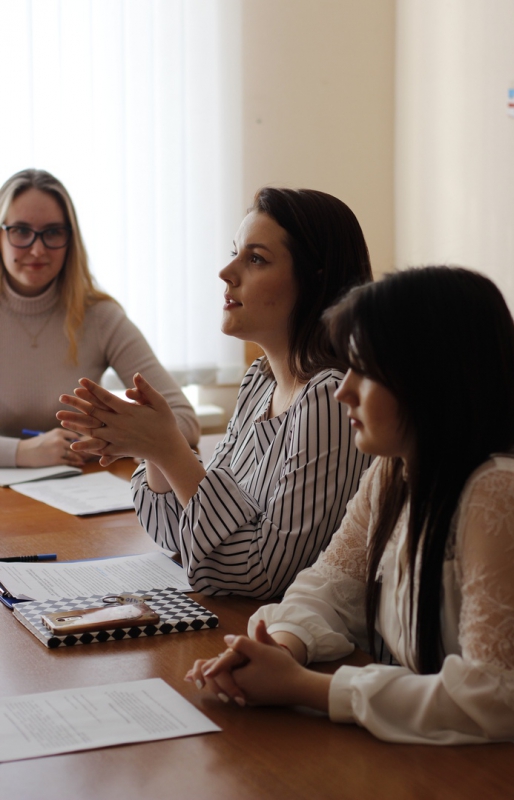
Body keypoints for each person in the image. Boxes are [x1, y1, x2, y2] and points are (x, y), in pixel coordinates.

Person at [186, 266, 514, 748]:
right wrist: (279, 648)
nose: (342, 389)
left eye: (364, 371)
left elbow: (500, 699)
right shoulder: (394, 471)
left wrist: (306, 687)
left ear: (429, 378)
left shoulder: (500, 490)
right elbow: (329, 587)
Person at [56, 188, 374, 597]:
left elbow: (263, 574)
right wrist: (156, 451)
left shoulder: (332, 399)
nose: (226, 271)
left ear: (315, 280)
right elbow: (176, 536)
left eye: (255, 259)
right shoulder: (261, 381)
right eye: (234, 252)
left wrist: (171, 450)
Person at [0, 168, 199, 468]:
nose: (37, 248)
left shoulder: (100, 317)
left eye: (53, 232)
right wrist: (22, 452)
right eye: (21, 231)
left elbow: (184, 420)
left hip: (75, 497)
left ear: (71, 240)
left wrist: (110, 441)